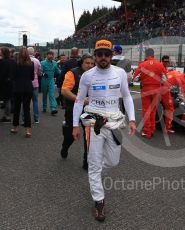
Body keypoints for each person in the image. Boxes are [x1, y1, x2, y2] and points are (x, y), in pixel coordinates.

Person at [72, 40, 136, 222]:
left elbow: (128, 97)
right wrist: (75, 124)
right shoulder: (87, 76)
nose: (103, 57)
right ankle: (99, 201)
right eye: (99, 54)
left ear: (111, 55)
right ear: (95, 55)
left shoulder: (120, 73)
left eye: (106, 54)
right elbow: (78, 101)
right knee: (93, 164)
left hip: (115, 123)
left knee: (113, 162)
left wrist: (131, 119)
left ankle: (95, 177)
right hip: (94, 124)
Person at [61, 54, 94, 170]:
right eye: (87, 63)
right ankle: (65, 147)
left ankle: (87, 162)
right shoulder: (72, 73)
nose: (90, 65)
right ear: (81, 63)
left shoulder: (96, 74)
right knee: (70, 136)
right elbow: (64, 91)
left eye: (92, 63)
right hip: (72, 109)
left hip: (88, 111)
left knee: (89, 136)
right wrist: (79, 100)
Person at [133, 48, 167, 138]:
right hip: (157, 90)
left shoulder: (142, 64)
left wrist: (142, 78)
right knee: (153, 111)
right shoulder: (160, 65)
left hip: (146, 90)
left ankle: (147, 131)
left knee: (146, 111)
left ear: (146, 55)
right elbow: (165, 80)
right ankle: (152, 129)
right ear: (153, 55)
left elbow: (135, 78)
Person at [10, 47, 34, 137]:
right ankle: (27, 130)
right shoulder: (31, 64)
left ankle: (15, 128)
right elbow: (32, 77)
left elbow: (13, 76)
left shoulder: (15, 64)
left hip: (17, 88)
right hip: (28, 88)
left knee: (17, 108)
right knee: (26, 109)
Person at [111, 44, 132, 113]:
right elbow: (129, 76)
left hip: (111, 87)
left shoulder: (109, 61)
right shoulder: (127, 61)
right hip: (122, 88)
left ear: (114, 51)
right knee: (122, 107)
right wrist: (127, 84)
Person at [41, 51, 61, 115]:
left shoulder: (55, 63)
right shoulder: (42, 63)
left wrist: (63, 73)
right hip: (44, 80)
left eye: (52, 55)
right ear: (46, 55)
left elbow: (57, 70)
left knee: (52, 94)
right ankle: (44, 107)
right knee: (44, 94)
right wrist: (43, 74)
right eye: (50, 54)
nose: (51, 56)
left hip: (51, 80)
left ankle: (53, 108)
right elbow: (40, 71)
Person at [0, 47, 16, 123]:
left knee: (6, 100)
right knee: (8, 100)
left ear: (3, 52)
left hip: (3, 83)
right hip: (11, 83)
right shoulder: (13, 61)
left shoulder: (2, 62)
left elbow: (2, 74)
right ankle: (7, 116)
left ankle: (7, 116)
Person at [160, 55, 175, 133]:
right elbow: (163, 80)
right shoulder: (160, 68)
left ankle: (167, 127)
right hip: (162, 91)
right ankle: (167, 128)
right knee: (170, 108)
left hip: (161, 90)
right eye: (165, 61)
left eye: (167, 61)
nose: (166, 63)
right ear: (162, 61)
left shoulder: (165, 68)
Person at [27, 47, 41, 123]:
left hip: (27, 83)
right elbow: (39, 73)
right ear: (34, 53)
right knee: (35, 101)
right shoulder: (37, 61)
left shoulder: (25, 60)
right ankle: (36, 119)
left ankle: (24, 119)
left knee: (26, 102)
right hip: (35, 83)